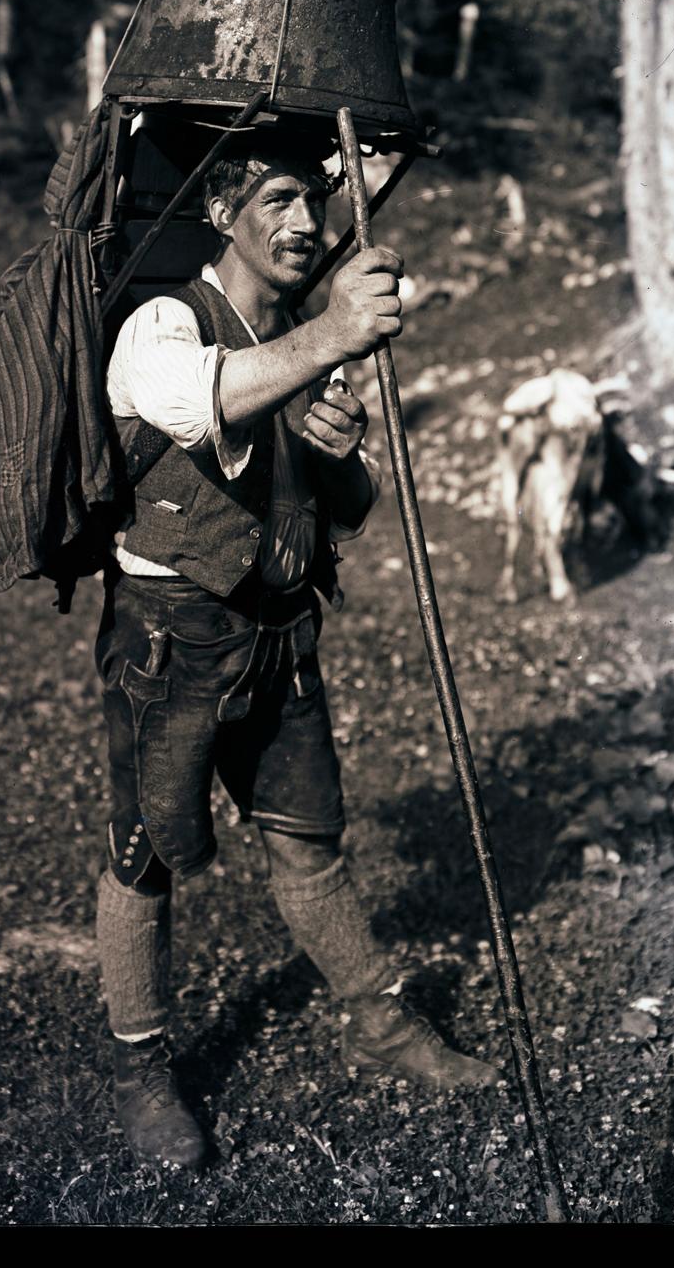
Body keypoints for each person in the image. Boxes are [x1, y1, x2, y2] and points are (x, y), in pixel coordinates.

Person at [94, 132, 500, 1170]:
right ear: (222, 211)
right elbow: (199, 404)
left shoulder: (294, 336)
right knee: (145, 854)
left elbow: (347, 511)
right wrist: (332, 333)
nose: (307, 224)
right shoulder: (165, 322)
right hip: (171, 643)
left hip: (280, 636)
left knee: (308, 842)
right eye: (279, 198)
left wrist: (342, 456)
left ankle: (383, 1023)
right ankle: (141, 1069)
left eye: (315, 203)